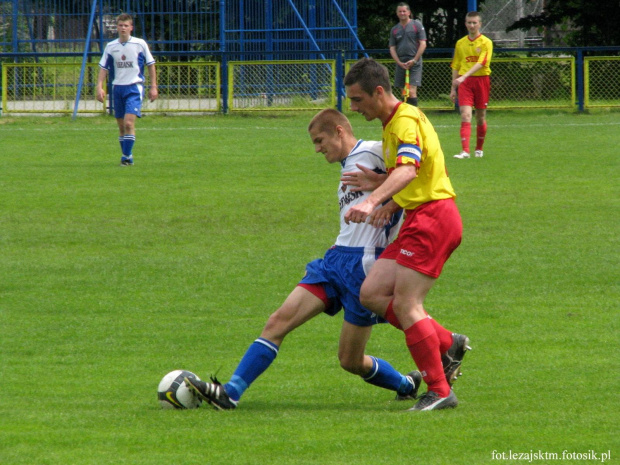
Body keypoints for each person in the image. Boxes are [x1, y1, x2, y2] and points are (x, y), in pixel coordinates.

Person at [185, 109, 424, 410]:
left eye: (320, 140)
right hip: (335, 260)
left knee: (350, 361)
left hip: (365, 268)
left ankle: (407, 382)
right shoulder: (347, 163)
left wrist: (380, 183)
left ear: (339, 131)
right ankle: (230, 393)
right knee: (277, 322)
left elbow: (417, 174)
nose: (317, 149)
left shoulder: (375, 150)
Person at [343, 57, 470, 411]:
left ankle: (439, 389)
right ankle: (447, 342)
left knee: (406, 304)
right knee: (371, 292)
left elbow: (410, 170)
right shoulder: (393, 123)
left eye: (357, 100)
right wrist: (389, 196)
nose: (354, 108)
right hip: (419, 216)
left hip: (434, 218)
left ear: (379, 91)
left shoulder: (404, 121)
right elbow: (414, 172)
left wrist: (374, 200)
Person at [96, 13, 158, 166]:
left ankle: (125, 157)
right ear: (117, 28)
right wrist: (99, 87)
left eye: (126, 26)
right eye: (120, 25)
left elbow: (150, 64)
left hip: (134, 88)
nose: (123, 28)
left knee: (129, 123)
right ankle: (128, 156)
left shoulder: (139, 44)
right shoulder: (111, 46)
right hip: (117, 89)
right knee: (121, 126)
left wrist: (154, 87)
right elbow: (104, 68)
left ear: (131, 28)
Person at [450, 11, 493, 159]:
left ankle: (479, 149)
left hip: (481, 81)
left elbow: (481, 63)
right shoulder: (460, 43)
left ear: (480, 24)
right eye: (469, 22)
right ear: (465, 23)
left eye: (475, 22)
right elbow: (456, 65)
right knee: (465, 115)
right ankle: (465, 151)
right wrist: (453, 88)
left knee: (480, 117)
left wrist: (464, 77)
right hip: (465, 83)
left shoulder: (486, 42)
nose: (472, 25)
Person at [389, 2, 427, 107]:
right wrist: (399, 62)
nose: (402, 13)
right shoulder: (395, 29)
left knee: (411, 91)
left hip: (415, 61)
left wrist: (414, 60)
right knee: (403, 92)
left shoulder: (416, 25)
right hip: (401, 62)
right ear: (397, 13)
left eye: (404, 11)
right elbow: (392, 48)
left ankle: (414, 114)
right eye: (400, 11)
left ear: (409, 12)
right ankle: (405, 114)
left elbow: (423, 44)